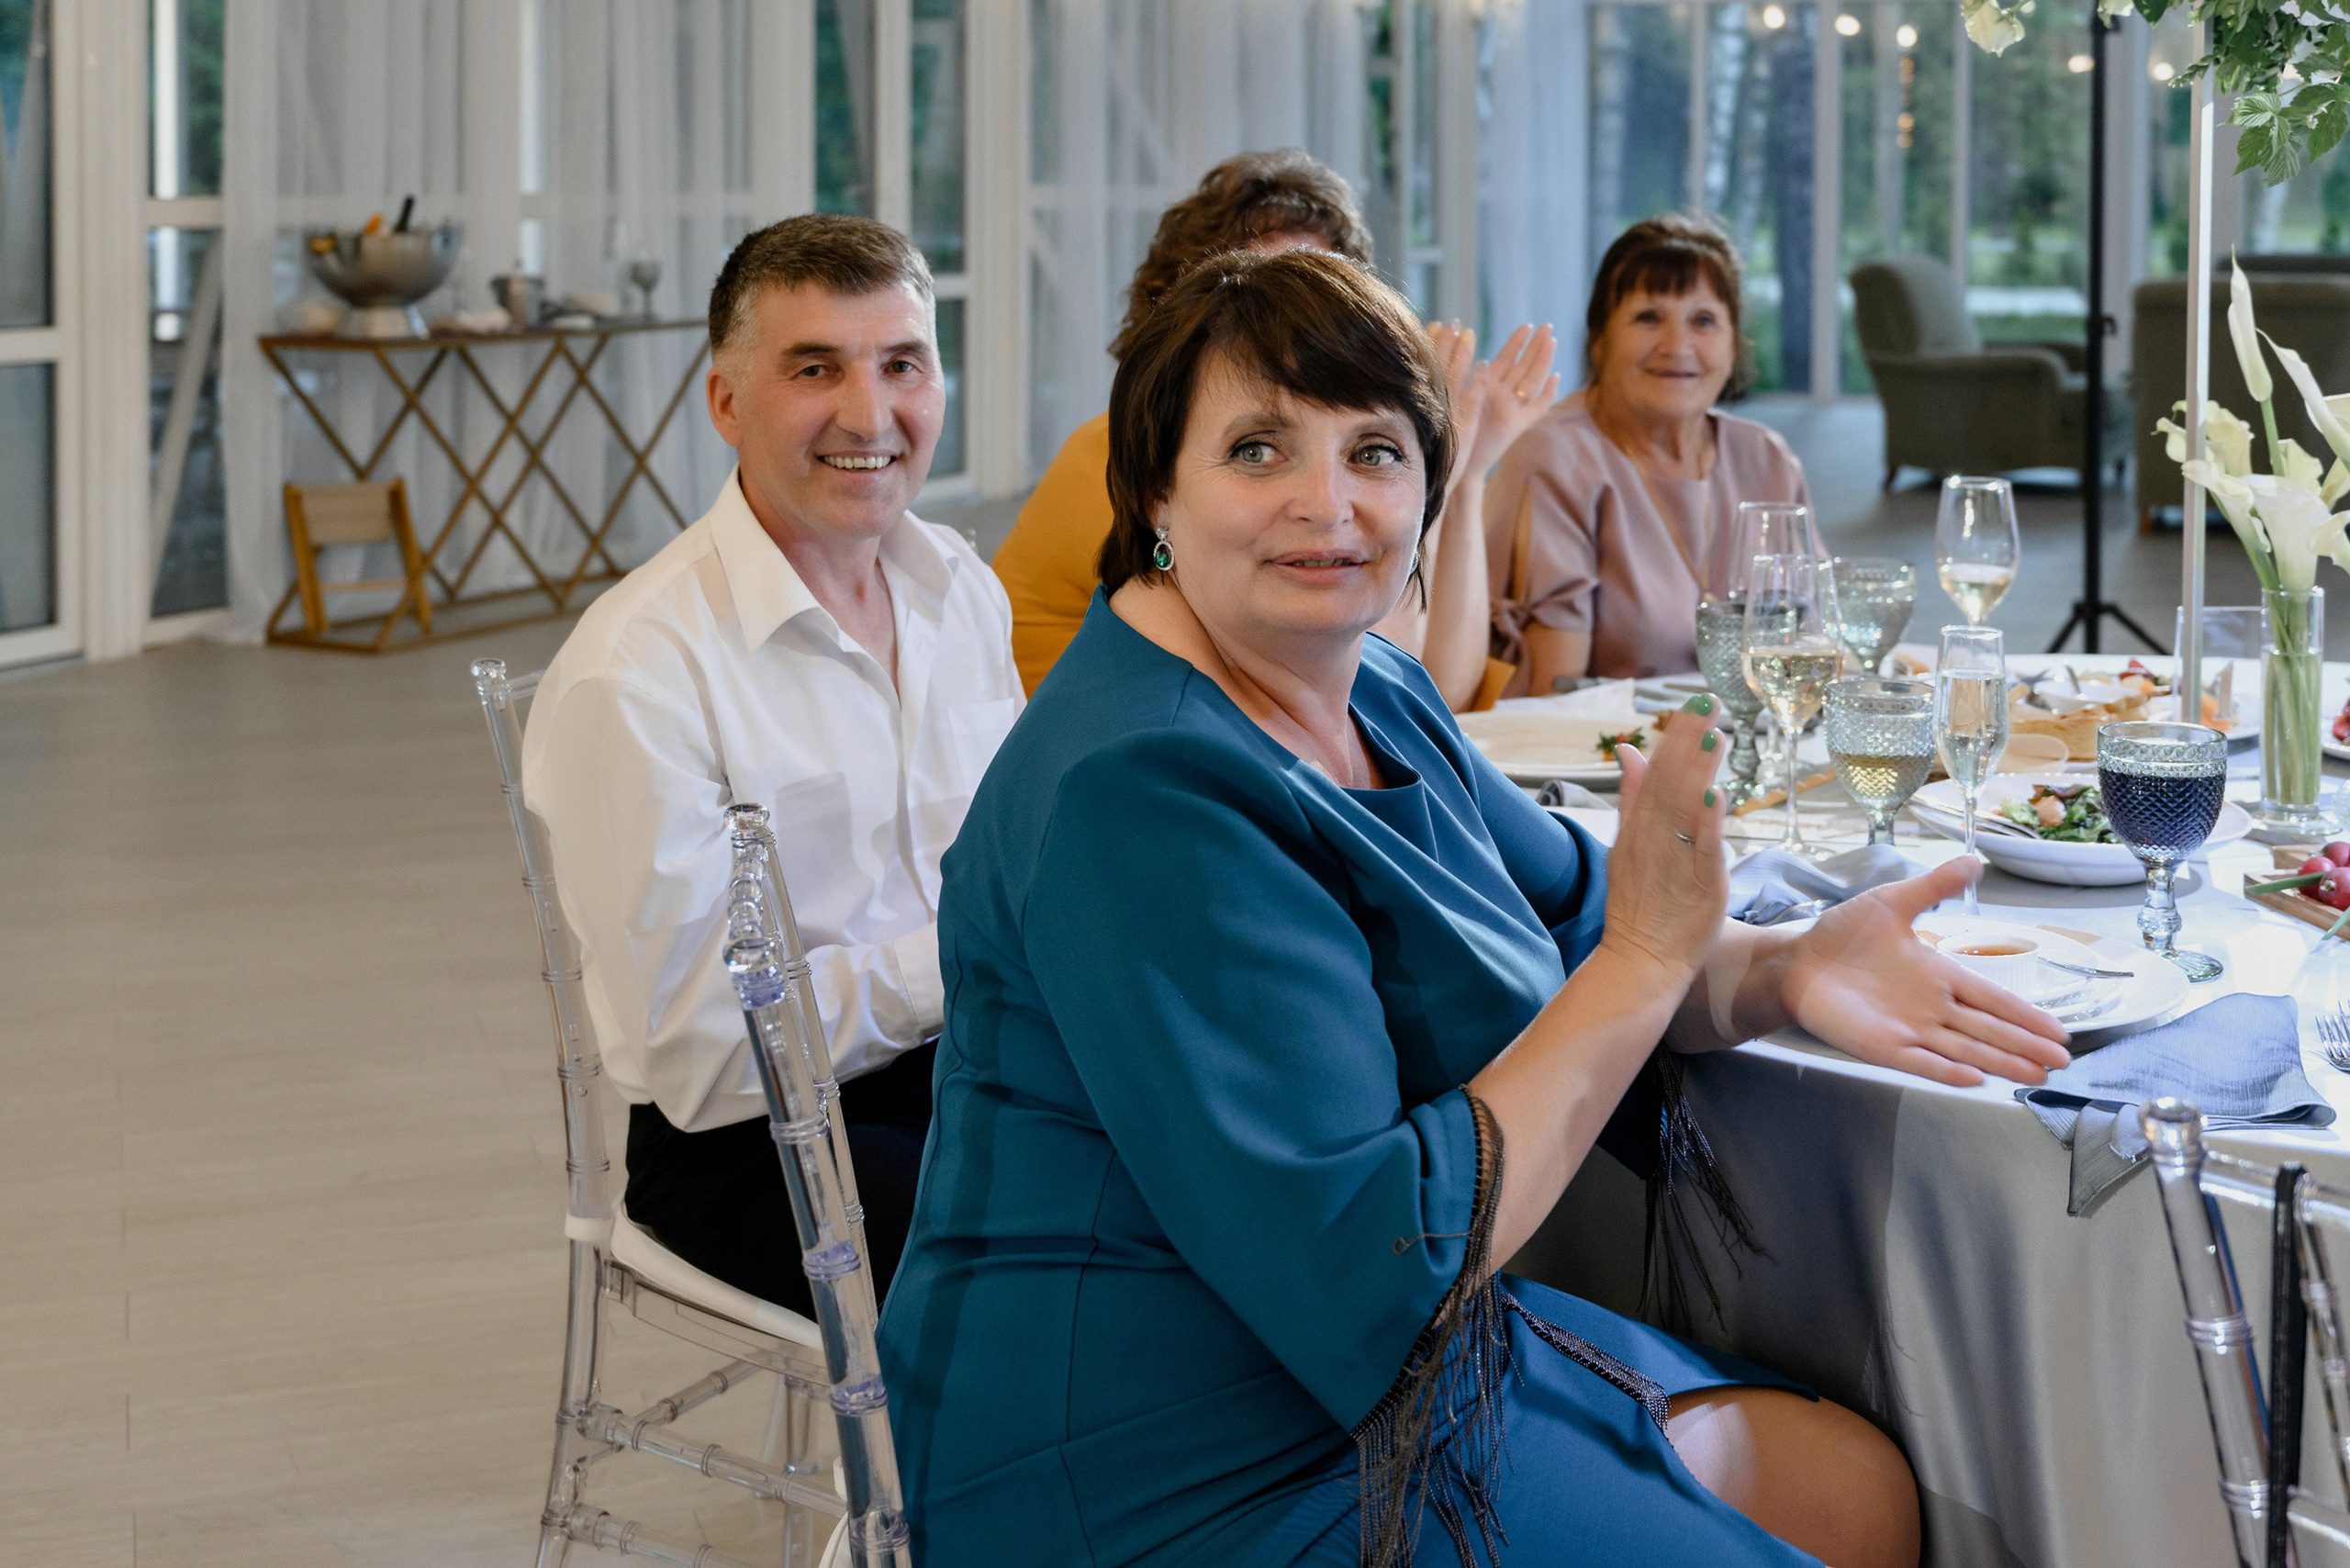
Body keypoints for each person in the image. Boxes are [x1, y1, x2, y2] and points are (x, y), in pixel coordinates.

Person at [878, 247, 2071, 1566]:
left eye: (1376, 453)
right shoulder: (1140, 785)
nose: (1328, 506)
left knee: (1857, 1490)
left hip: (1386, 1353)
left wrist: (1784, 967)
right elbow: (1370, 1254)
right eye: (1260, 450)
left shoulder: (1367, 690)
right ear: (1157, 485)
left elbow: (1578, 920)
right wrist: (1649, 954)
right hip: (1162, 1442)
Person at [521, 215, 1022, 1316]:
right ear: (727, 402)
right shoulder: (637, 671)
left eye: (902, 365)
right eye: (814, 369)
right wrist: (957, 958)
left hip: (969, 1060)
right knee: (1054, 1263)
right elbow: (701, 1054)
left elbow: (1018, 857)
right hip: (755, 1138)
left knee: (1234, 1163)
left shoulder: (957, 588)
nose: (869, 414)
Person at [993, 147, 1557, 710]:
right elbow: (1380, 695)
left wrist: (1460, 472)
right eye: (1260, 293)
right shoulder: (1136, 455)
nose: (1291, 324)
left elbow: (1439, 697)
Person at [1485, 213, 1810, 690]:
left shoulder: (1766, 459)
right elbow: (1552, 699)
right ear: (1600, 340)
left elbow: (1810, 650)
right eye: (1648, 317)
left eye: (1703, 320)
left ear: (1734, 345)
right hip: (1601, 753)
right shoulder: (1555, 457)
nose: (1677, 345)